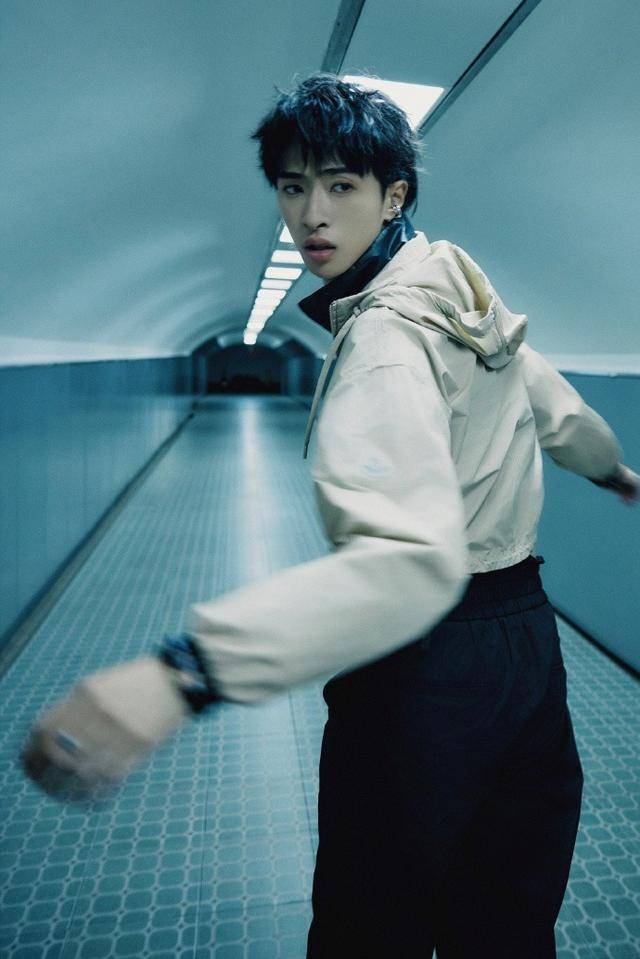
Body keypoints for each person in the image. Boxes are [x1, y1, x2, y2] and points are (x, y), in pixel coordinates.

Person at [19, 73, 639, 958]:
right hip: (527, 648)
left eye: (341, 185)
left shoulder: (384, 337)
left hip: (423, 666)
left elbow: (407, 562)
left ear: (394, 196)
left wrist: (183, 675)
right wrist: (613, 469)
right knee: (507, 910)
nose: (311, 215)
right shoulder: (468, 296)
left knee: (370, 916)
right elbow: (559, 410)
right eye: (292, 186)